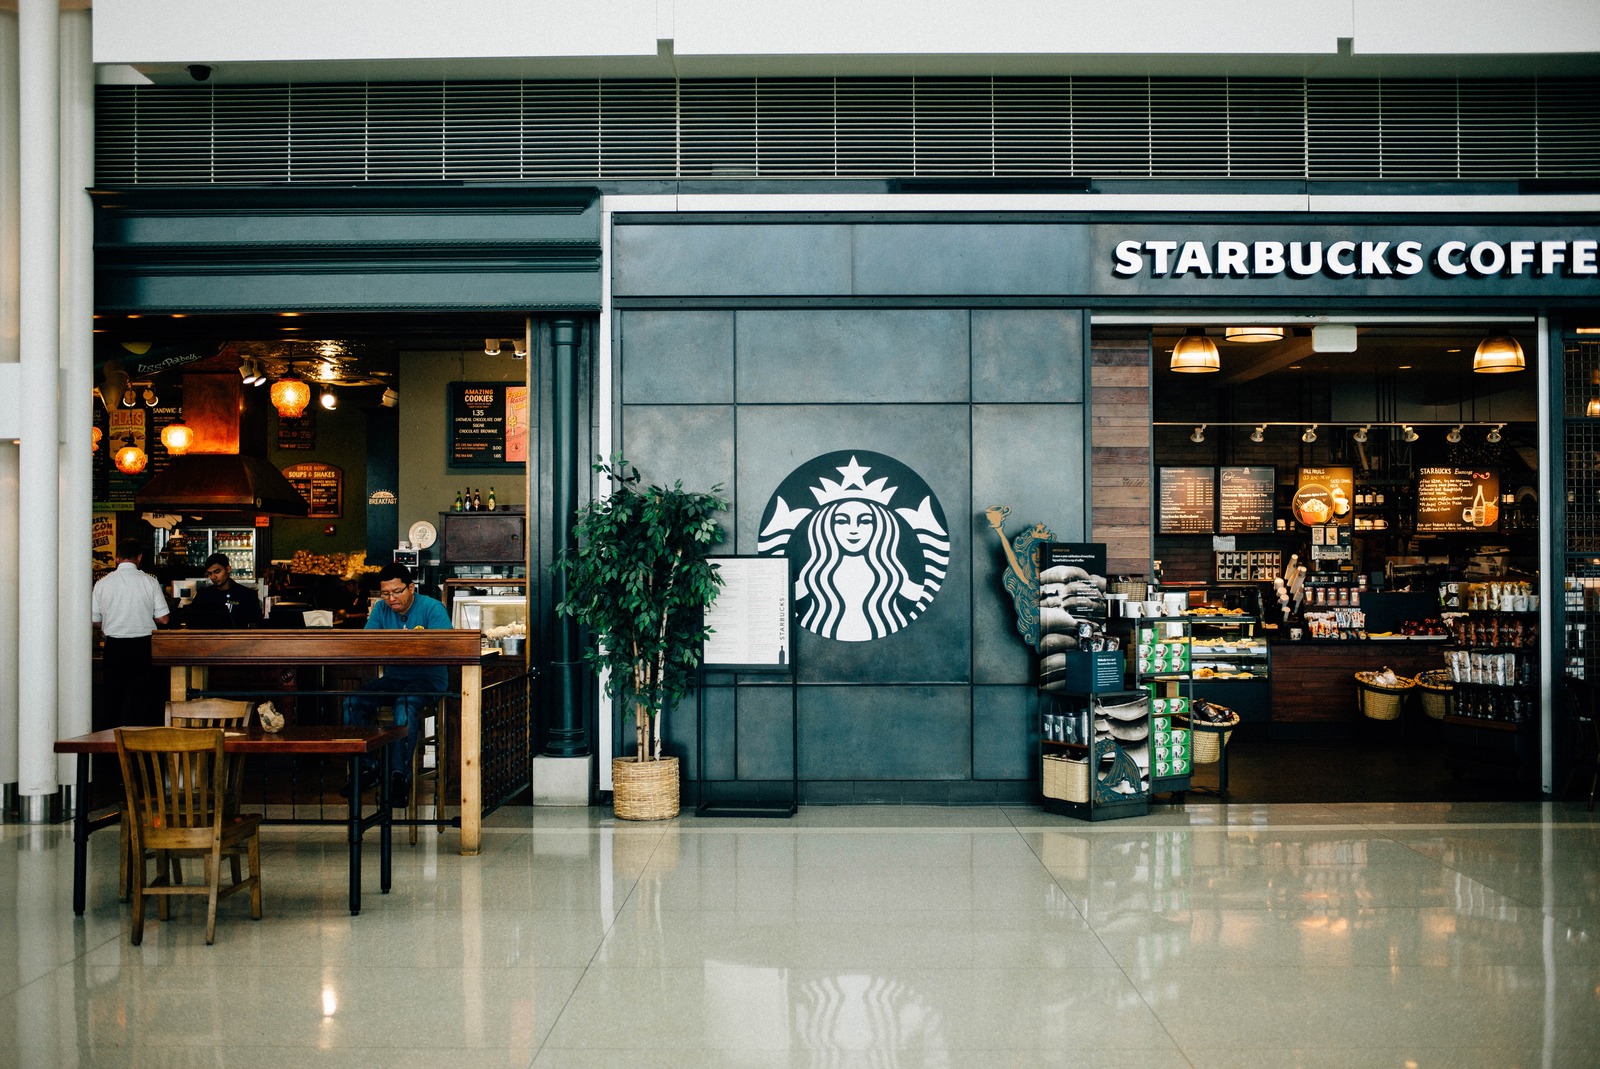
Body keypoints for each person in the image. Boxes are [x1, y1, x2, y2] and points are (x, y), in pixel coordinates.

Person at [342, 562, 451, 803]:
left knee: (404, 704)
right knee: (353, 701)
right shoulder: (381, 610)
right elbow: (369, 645)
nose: (391, 599)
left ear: (411, 587)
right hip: (393, 678)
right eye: (385, 593)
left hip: (429, 680)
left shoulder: (432, 608)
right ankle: (366, 770)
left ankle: (397, 776)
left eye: (397, 592)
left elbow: (444, 647)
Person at [91, 537, 171, 726]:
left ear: (116, 558)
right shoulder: (149, 582)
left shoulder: (102, 583)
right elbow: (164, 619)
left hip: (114, 646)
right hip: (143, 646)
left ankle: (111, 748)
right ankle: (140, 748)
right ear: (139, 557)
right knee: (142, 698)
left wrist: (112, 624)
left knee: (113, 698)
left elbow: (95, 620)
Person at [186, 553, 262, 628]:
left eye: (217, 572)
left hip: (238, 639)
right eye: (209, 573)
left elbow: (255, 626)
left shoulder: (246, 595)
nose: (213, 577)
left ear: (228, 569)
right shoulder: (204, 595)